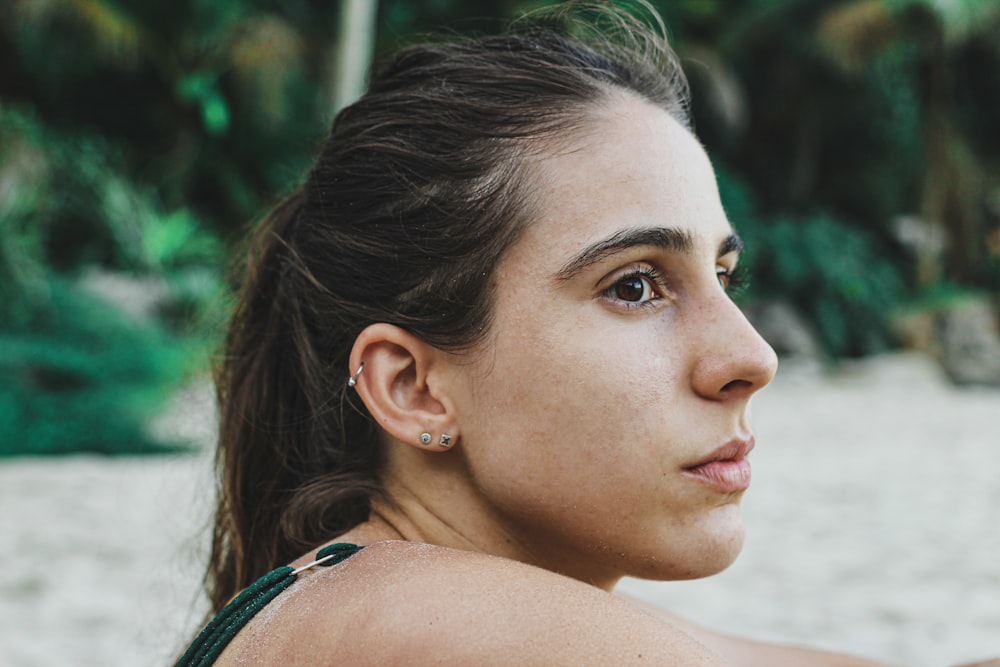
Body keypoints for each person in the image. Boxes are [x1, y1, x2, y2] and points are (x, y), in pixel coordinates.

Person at [177, 2, 997, 665]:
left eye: (725, 276)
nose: (752, 357)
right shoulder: (420, 624)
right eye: (635, 285)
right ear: (411, 386)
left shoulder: (356, 598)